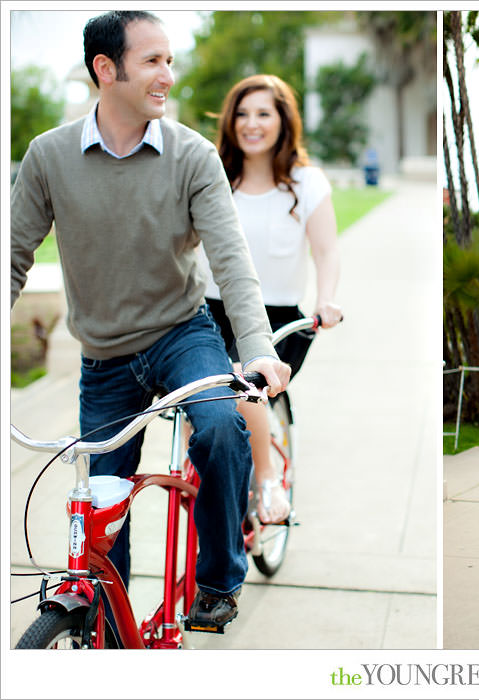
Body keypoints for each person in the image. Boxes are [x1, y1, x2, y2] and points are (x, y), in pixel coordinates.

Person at [10, 11, 291, 631]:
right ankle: (113, 628)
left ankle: (219, 581)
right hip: (104, 356)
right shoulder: (48, 157)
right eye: (153, 61)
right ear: (105, 70)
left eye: (170, 60)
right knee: (103, 505)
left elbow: (231, 260)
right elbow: (12, 259)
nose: (168, 74)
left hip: (180, 335)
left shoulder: (191, 154)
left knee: (220, 427)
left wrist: (257, 348)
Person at [195, 74, 342, 524]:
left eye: (263, 113)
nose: (251, 124)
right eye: (241, 114)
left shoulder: (306, 182)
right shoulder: (213, 173)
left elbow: (327, 250)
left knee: (245, 388)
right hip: (210, 311)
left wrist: (327, 300)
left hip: (277, 318)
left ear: (283, 120)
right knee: (200, 413)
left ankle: (267, 478)